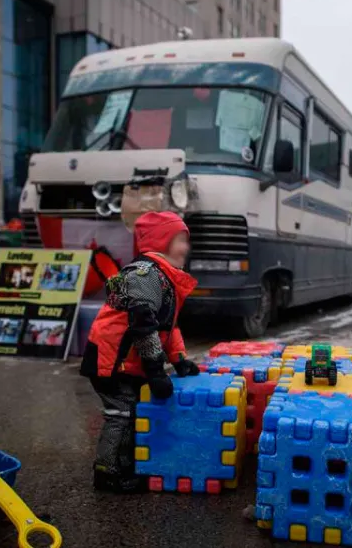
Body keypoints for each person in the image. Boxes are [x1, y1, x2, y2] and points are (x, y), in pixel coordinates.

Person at [79, 211, 199, 493]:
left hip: (124, 361)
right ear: (162, 241)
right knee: (120, 412)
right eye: (181, 240)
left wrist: (179, 360)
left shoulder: (163, 277)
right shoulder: (145, 276)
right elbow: (144, 328)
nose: (186, 248)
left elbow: (167, 327)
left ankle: (125, 463)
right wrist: (156, 370)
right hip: (111, 361)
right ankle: (107, 472)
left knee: (131, 411)